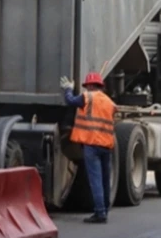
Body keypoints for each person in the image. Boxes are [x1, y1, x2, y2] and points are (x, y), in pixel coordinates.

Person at [61, 71, 117, 224]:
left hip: (91, 145)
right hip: (106, 145)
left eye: (87, 86)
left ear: (90, 86)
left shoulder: (88, 97)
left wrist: (68, 88)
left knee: (95, 179)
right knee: (105, 179)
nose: (86, 89)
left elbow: (70, 101)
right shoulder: (109, 102)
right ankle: (105, 207)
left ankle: (100, 213)